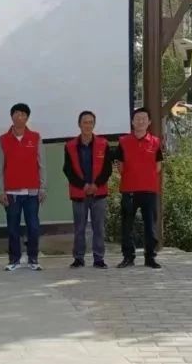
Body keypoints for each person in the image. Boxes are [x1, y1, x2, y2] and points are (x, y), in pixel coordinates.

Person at [0, 102, 46, 271]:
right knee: (13, 228)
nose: (20, 117)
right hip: (11, 192)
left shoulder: (35, 137)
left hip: (32, 191)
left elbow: (42, 164)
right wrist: (1, 190)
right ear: (12, 116)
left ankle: (33, 259)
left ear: (27, 117)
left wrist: (43, 187)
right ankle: (14, 260)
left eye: (23, 114)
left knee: (33, 226)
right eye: (17, 114)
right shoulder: (3, 139)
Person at [112, 107, 163, 269]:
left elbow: (158, 166)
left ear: (149, 122)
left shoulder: (155, 142)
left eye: (144, 118)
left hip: (149, 190)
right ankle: (128, 257)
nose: (140, 121)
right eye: (137, 118)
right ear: (132, 122)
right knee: (127, 225)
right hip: (129, 190)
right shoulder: (123, 142)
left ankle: (150, 257)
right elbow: (120, 166)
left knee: (150, 226)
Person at [63, 110, 112, 269]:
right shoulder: (70, 146)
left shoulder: (103, 144)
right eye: (85, 122)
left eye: (91, 122)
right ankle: (78, 258)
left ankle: (99, 258)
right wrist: (83, 185)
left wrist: (96, 184)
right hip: (79, 192)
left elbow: (107, 169)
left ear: (94, 124)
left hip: (99, 192)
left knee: (99, 228)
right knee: (79, 228)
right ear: (79, 124)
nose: (88, 125)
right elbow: (68, 170)